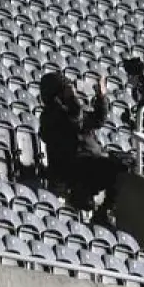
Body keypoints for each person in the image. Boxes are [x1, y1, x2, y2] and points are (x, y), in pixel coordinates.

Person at [37, 70, 125, 227]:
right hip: (73, 166)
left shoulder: (70, 111)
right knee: (115, 168)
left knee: (124, 165)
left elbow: (97, 120)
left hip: (86, 162)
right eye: (65, 89)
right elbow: (74, 122)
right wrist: (71, 98)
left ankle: (96, 203)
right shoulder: (51, 115)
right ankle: (84, 196)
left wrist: (101, 97)